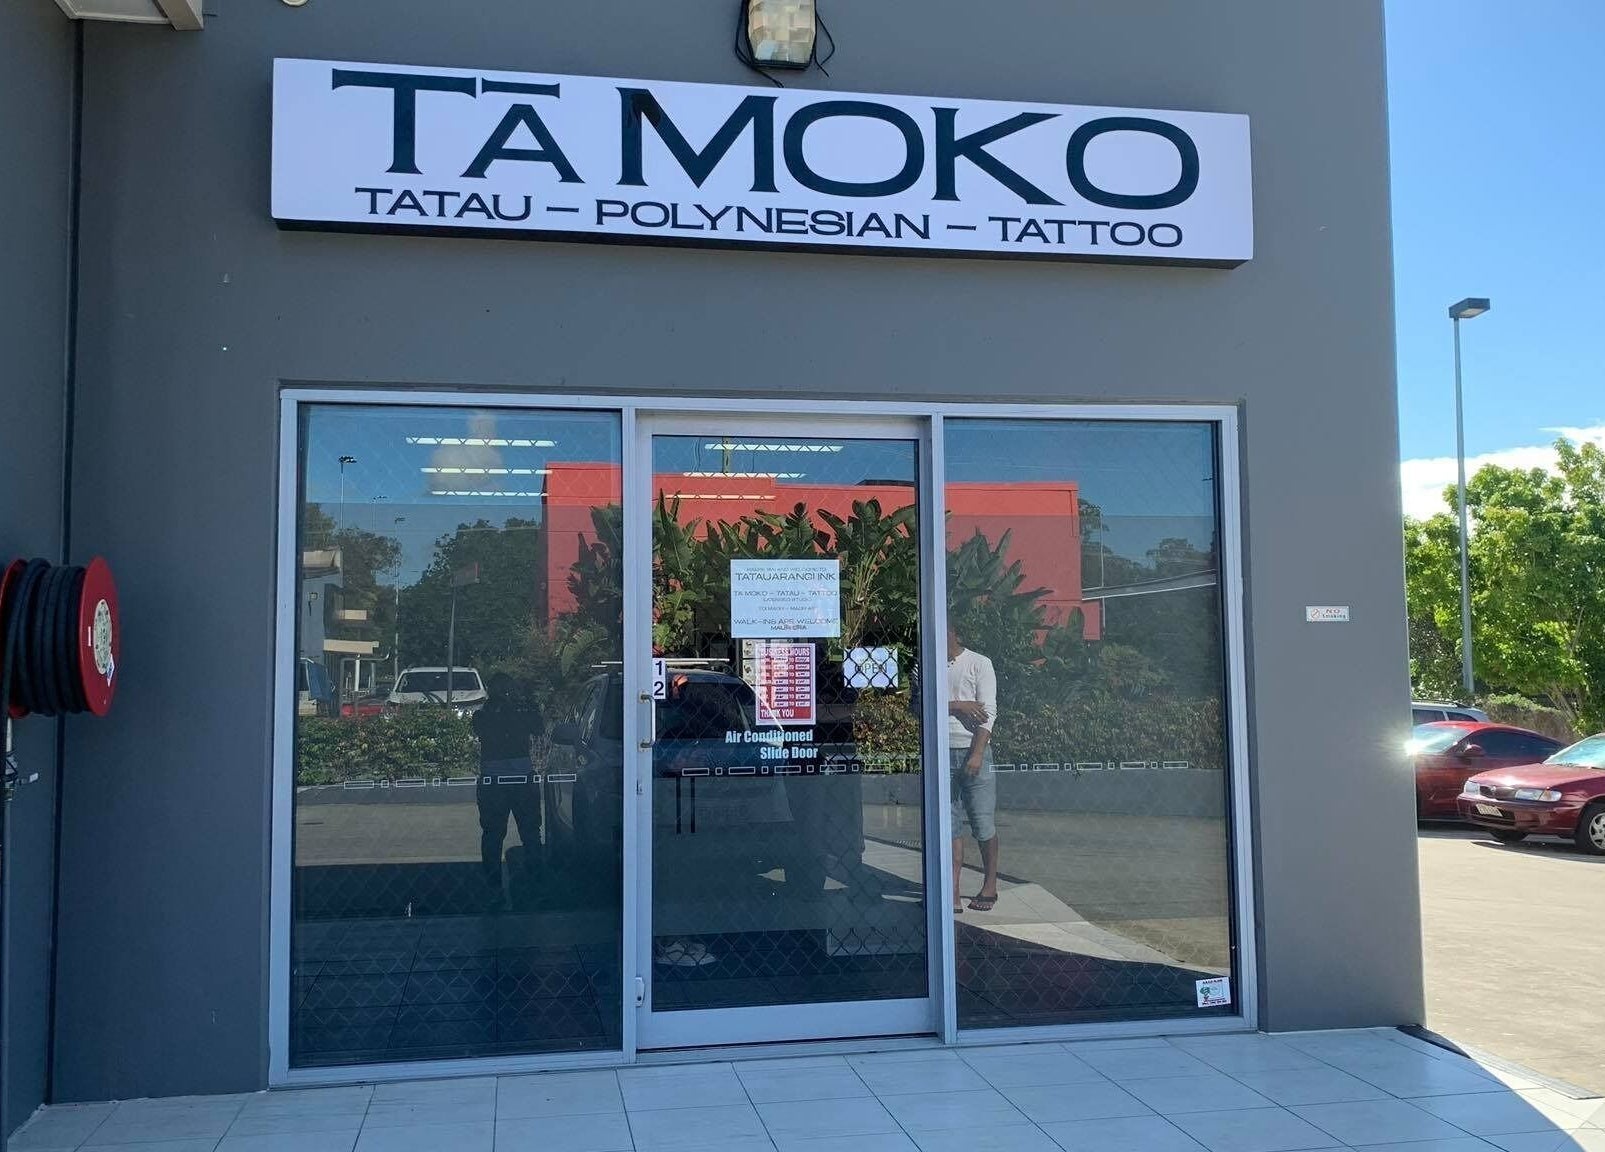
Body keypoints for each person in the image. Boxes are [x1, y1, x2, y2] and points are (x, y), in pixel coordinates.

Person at [473, 672, 543, 904]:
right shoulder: (508, 713)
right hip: (518, 777)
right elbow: (538, 727)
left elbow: (537, 727)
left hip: (496, 780)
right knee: (528, 831)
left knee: (495, 834)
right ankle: (533, 881)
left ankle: (495, 885)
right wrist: (521, 705)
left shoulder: (484, 715)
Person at [948, 624, 999, 913]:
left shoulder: (980, 663)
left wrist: (977, 753)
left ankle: (990, 885)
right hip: (940, 751)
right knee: (949, 824)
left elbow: (988, 712)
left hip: (973, 749)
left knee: (982, 821)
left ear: (955, 634)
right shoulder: (924, 665)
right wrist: (958, 705)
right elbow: (919, 706)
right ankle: (952, 890)